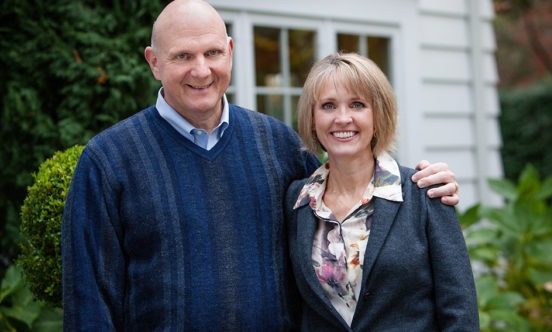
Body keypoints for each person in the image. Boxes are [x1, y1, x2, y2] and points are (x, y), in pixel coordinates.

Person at [61, 0, 460, 330]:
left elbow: (348, 189)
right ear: (154, 62)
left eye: (212, 53)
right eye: (183, 56)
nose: (201, 70)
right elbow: (89, 301)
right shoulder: (108, 161)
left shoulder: (278, 145)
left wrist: (420, 183)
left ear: (230, 52)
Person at [286, 52, 479, 331]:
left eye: (357, 104)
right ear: (312, 118)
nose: (342, 118)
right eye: (328, 106)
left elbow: (460, 311)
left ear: (378, 114)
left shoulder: (424, 194)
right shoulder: (296, 202)